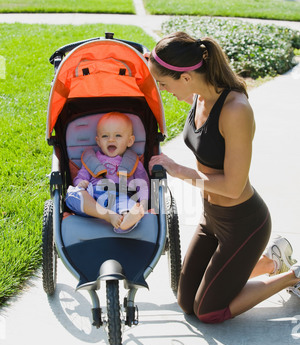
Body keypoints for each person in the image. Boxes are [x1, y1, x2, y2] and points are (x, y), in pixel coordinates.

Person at [148, 31, 300, 323]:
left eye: (164, 84)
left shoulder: (235, 110)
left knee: (208, 311)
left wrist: (181, 172)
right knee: (186, 302)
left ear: (187, 77)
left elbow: (233, 187)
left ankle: (292, 276)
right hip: (211, 217)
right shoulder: (199, 99)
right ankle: (272, 261)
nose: (163, 90)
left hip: (243, 223)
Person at [66, 112, 149, 232]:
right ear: (98, 141)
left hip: (120, 197)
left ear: (130, 141)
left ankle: (125, 221)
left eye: (118, 135)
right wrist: (81, 182)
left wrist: (144, 202)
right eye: (105, 136)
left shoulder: (133, 162)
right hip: (93, 201)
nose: (111, 139)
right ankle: (108, 215)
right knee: (73, 195)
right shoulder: (92, 159)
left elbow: (143, 185)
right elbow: (81, 176)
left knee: (130, 208)